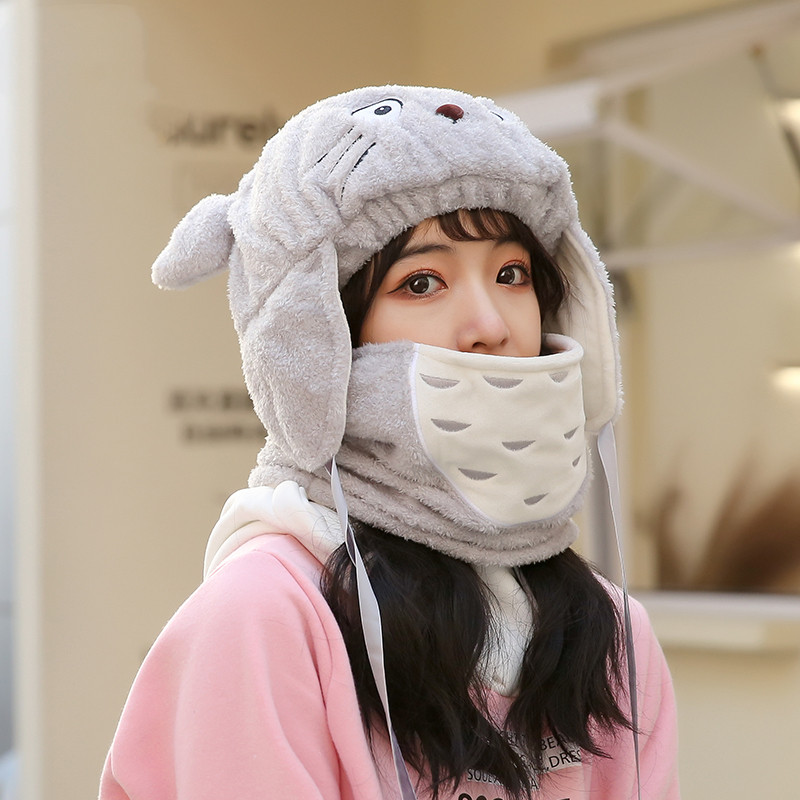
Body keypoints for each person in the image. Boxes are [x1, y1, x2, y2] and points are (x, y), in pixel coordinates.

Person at [99, 86, 679, 800]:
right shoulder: (266, 617)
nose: (490, 325)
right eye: (422, 282)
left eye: (512, 274)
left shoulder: (613, 632)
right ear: (318, 342)